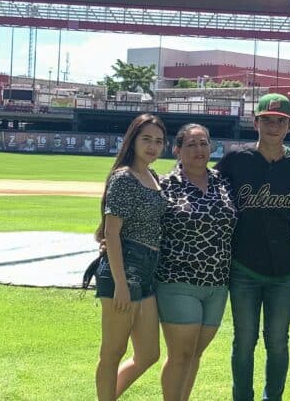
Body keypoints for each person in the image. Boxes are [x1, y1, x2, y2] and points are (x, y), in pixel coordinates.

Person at [216, 93, 290, 401]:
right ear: (255, 122)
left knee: (277, 342)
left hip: (284, 270)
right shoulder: (235, 160)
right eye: (267, 120)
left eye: (280, 121)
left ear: (289, 126)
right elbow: (205, 191)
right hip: (243, 266)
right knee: (244, 341)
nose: (273, 126)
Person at [155, 123, 238, 401]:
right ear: (177, 150)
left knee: (195, 354)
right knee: (181, 353)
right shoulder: (164, 185)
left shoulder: (224, 183)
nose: (199, 150)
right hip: (177, 280)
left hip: (217, 283)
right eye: (191, 144)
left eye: (203, 143)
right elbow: (140, 221)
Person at [90, 113, 168, 401]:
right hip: (124, 268)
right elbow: (111, 234)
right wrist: (121, 284)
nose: (152, 146)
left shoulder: (153, 176)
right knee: (112, 351)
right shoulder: (124, 178)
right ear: (133, 140)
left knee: (148, 353)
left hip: (148, 270)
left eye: (158, 141)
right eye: (146, 139)